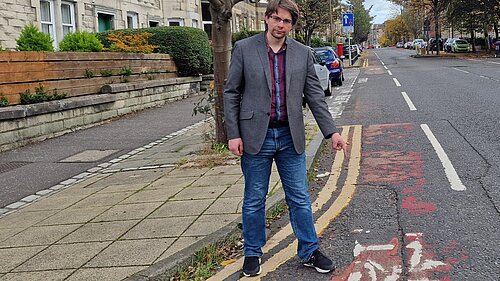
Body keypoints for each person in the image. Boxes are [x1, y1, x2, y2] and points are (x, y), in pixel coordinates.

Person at [223, 0, 347, 277]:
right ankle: (252, 252)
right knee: (254, 199)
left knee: (300, 198)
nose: (281, 25)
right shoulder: (245, 49)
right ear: (267, 19)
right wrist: (233, 134)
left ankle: (309, 250)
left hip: (290, 136)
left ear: (292, 24)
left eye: (287, 21)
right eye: (277, 19)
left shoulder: (303, 53)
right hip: (257, 136)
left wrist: (332, 131)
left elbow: (315, 95)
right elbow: (231, 92)